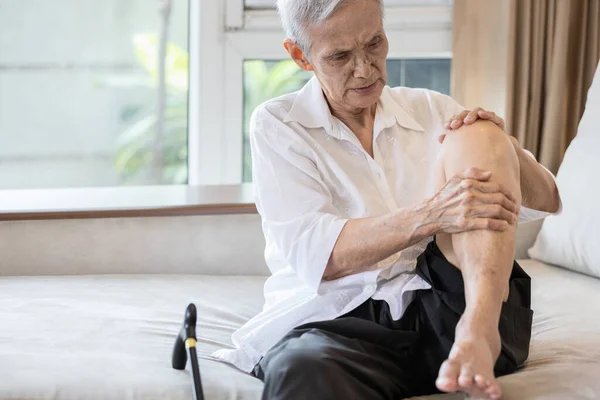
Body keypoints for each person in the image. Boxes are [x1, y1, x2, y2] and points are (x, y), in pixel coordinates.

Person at [212, 0, 561, 399]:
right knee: (301, 369)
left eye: (374, 43)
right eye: (341, 56)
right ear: (300, 55)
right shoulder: (279, 125)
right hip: (341, 325)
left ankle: (480, 332)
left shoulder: (432, 108)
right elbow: (321, 255)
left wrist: (501, 148)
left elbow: (547, 198)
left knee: (478, 132)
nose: (365, 68)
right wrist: (433, 214)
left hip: (454, 308)